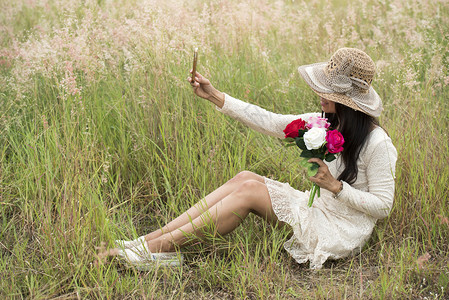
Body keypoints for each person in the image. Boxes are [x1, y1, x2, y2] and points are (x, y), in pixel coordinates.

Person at [115, 48, 397, 270]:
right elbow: (271, 122)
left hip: (341, 230)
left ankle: (157, 250)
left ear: (348, 101)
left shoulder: (378, 143)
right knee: (245, 178)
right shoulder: (326, 121)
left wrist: (335, 187)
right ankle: (147, 241)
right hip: (318, 209)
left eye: (327, 92)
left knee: (250, 191)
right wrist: (214, 95)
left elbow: (383, 206)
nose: (319, 95)